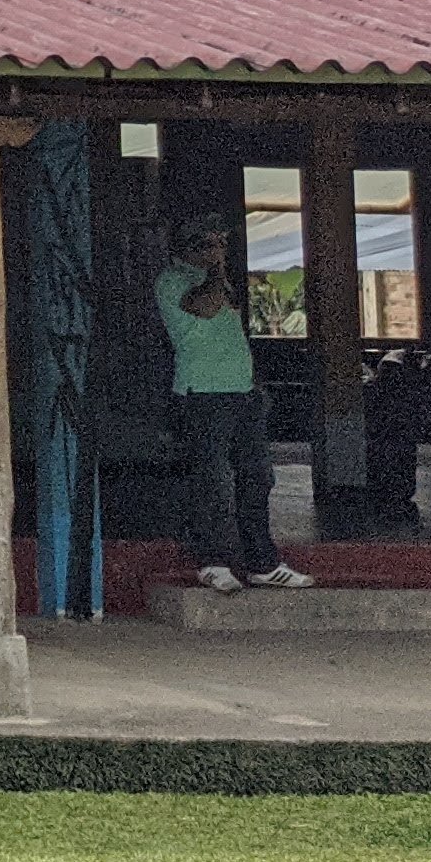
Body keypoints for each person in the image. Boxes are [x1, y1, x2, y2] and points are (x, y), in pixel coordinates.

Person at [158, 213, 312, 594]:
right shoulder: (173, 281)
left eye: (222, 243)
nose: (220, 250)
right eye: (211, 244)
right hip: (203, 394)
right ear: (191, 247)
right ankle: (211, 560)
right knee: (211, 480)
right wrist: (215, 271)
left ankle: (262, 561)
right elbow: (204, 308)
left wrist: (254, 383)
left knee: (257, 477)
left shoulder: (218, 282)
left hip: (241, 392)